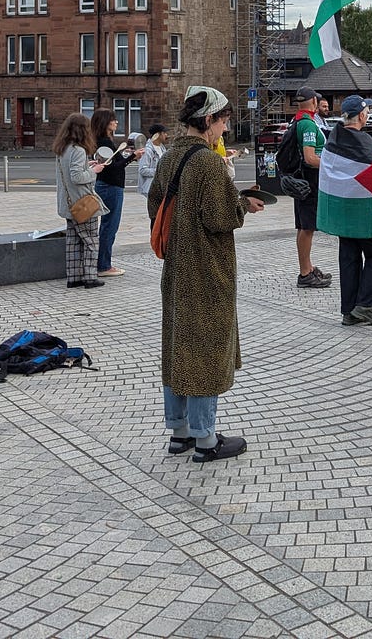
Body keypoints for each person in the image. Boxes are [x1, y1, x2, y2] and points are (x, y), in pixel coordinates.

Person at [148, 86, 265, 462]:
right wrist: (243, 205)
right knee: (206, 348)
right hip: (207, 270)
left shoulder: (170, 158)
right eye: (224, 121)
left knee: (178, 344)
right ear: (209, 120)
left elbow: (155, 207)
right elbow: (219, 217)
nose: (226, 129)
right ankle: (205, 439)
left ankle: (179, 432)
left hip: (177, 269)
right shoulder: (209, 163)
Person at [320, 96, 372, 326]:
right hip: (363, 211)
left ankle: (349, 309)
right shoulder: (362, 140)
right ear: (362, 116)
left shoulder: (333, 138)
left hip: (343, 209)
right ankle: (366, 305)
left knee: (349, 256)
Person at [53, 112, 106, 288]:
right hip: (82, 204)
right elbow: (77, 177)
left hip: (68, 205)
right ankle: (90, 277)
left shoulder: (63, 149)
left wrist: (87, 165)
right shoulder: (79, 150)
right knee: (91, 240)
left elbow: (69, 174)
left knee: (73, 242)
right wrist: (95, 170)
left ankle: (74, 277)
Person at [90, 108, 141, 277]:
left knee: (107, 226)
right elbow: (111, 169)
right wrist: (131, 158)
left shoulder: (102, 141)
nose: (116, 122)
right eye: (113, 119)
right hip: (111, 187)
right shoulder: (105, 143)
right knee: (109, 226)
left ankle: (102, 263)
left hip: (106, 186)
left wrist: (127, 157)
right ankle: (104, 266)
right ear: (105, 122)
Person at [289, 85, 330, 288]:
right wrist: (332, 165)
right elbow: (310, 157)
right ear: (314, 102)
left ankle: (307, 267)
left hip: (303, 179)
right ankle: (305, 273)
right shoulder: (307, 124)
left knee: (304, 226)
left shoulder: (299, 120)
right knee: (307, 227)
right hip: (310, 180)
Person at [136, 124, 168, 199]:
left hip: (161, 188)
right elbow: (143, 170)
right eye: (164, 133)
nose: (166, 135)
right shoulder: (147, 150)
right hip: (150, 188)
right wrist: (159, 171)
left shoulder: (162, 149)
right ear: (158, 135)